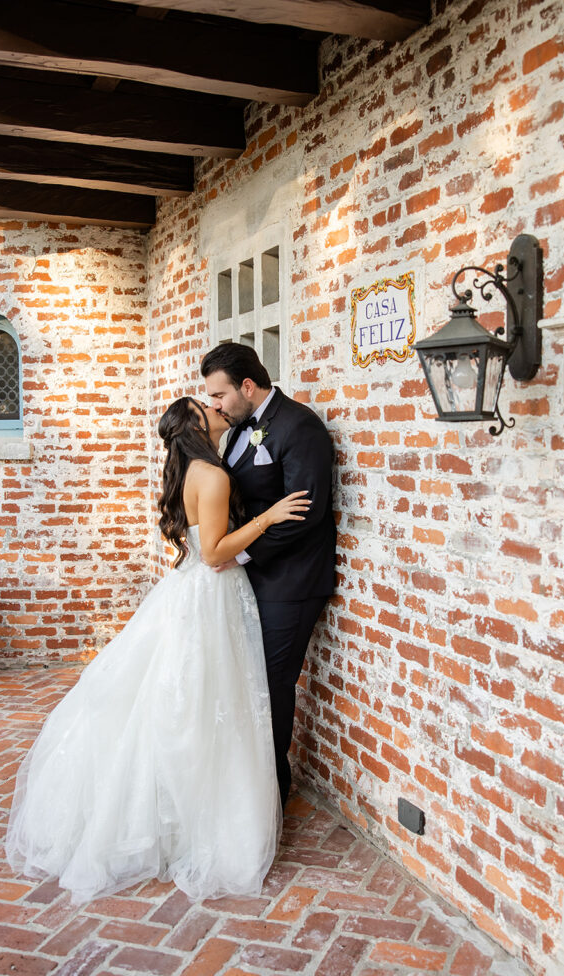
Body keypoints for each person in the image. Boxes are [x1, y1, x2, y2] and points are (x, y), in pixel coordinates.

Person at [5, 397, 311, 905]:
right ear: (195, 425)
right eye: (204, 405)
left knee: (193, 699)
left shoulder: (192, 468)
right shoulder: (211, 477)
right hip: (210, 596)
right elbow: (213, 553)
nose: (215, 406)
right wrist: (270, 516)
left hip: (191, 593)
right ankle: (194, 820)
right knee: (205, 702)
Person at [202, 343, 337, 808]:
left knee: (272, 682)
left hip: (292, 582)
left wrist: (239, 555)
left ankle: (272, 795)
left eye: (219, 395)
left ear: (247, 386)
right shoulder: (239, 429)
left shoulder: (299, 427)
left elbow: (305, 514)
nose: (214, 405)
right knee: (249, 678)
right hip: (253, 576)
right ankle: (252, 786)